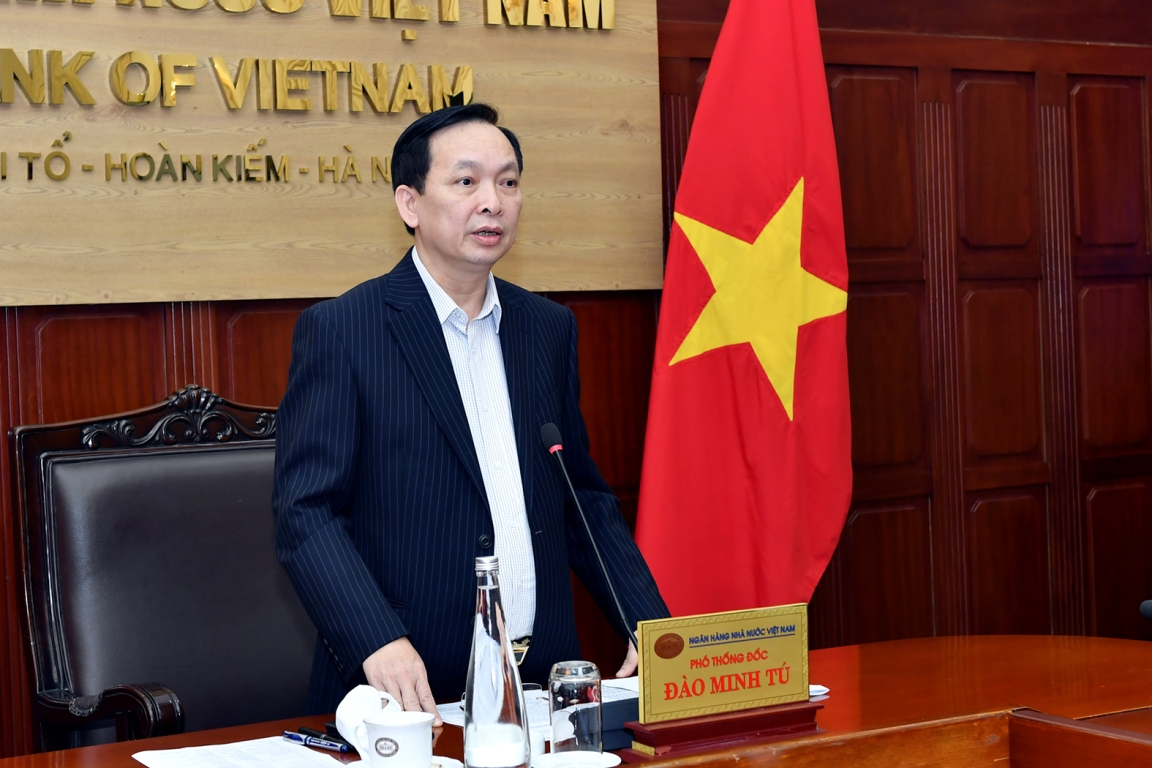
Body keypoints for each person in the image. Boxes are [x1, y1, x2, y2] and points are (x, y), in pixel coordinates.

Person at [273, 103, 669, 723]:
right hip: (409, 691)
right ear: (409, 203)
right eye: (467, 181)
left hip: (541, 686)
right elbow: (306, 511)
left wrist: (648, 625)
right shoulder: (345, 330)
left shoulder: (546, 328)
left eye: (508, 182)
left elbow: (579, 497)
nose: (493, 202)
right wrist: (375, 638)